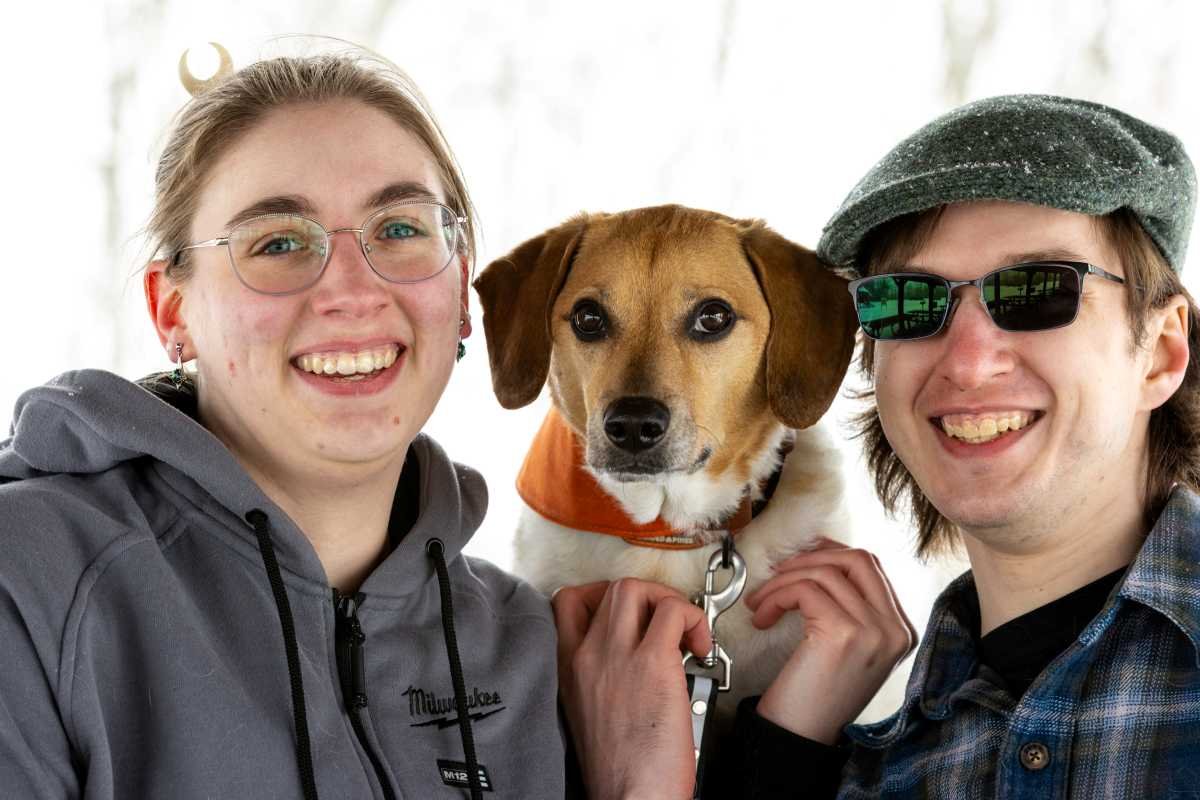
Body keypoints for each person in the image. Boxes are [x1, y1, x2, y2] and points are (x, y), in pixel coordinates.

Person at [556, 93, 1200, 799]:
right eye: (911, 302)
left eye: (1039, 291)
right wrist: (777, 756)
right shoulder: (853, 755)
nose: (968, 360)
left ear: (1163, 353)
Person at [0, 46, 566, 799]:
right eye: (278, 243)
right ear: (173, 310)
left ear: (462, 290)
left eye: (399, 229)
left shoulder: (526, 640)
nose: (353, 291)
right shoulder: (29, 583)